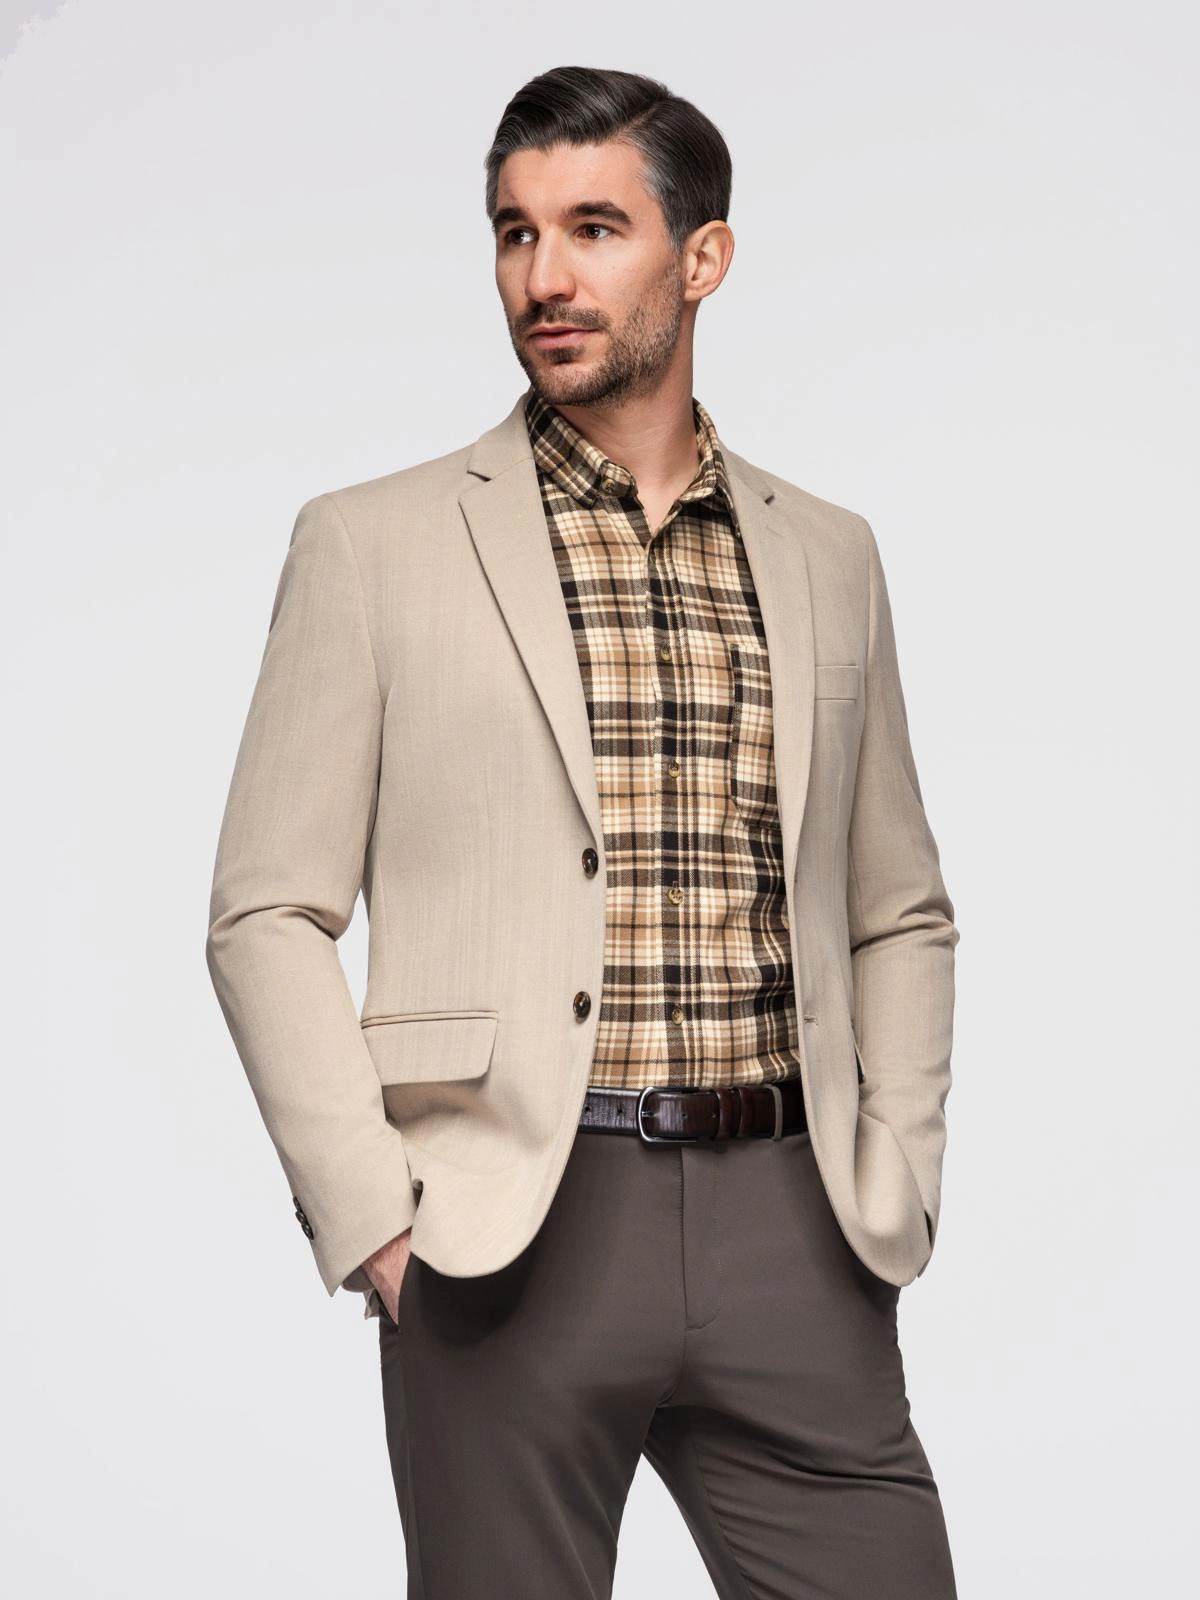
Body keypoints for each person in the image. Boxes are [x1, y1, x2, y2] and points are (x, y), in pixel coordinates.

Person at [206, 63, 960, 1600]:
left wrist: (894, 1168)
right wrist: (375, 1218)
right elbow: (265, 909)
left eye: (594, 228)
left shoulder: (829, 554)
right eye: (515, 232)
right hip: (508, 1236)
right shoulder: (373, 544)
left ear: (704, 257)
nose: (543, 276)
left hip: (795, 1221)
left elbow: (900, 908)